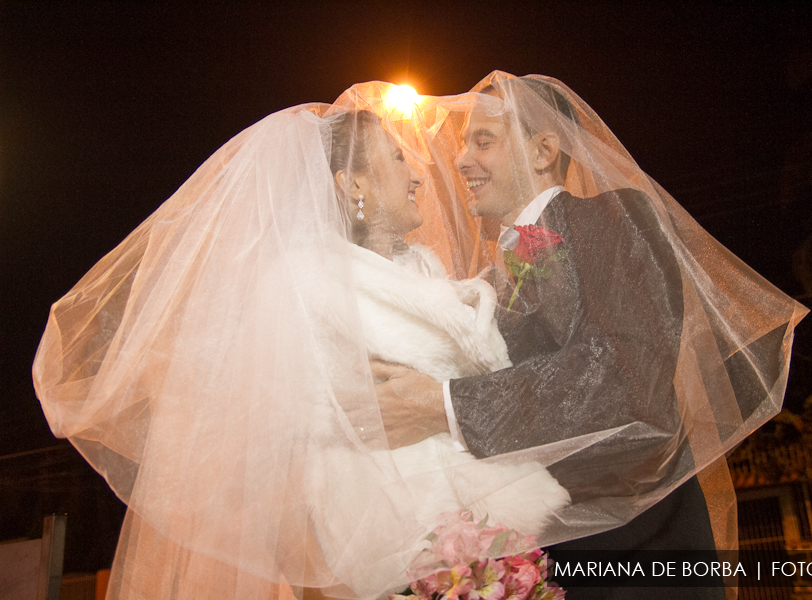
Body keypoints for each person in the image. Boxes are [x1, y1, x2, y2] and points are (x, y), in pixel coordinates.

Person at [32, 86, 570, 600]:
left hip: (477, 519)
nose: (418, 174)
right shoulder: (309, 280)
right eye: (397, 158)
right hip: (383, 522)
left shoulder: (423, 269)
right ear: (353, 185)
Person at [373, 72, 808, 599]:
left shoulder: (613, 217)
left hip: (642, 556)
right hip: (548, 565)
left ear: (543, 151)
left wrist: (444, 404)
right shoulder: (496, 278)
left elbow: (625, 383)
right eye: (465, 143)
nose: (462, 159)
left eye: (482, 141)